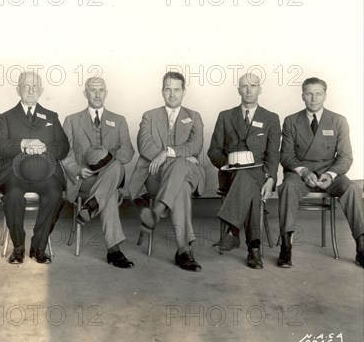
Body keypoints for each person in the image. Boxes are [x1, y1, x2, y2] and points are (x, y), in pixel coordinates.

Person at [277, 77, 364, 268]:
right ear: (302, 96)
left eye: (318, 94)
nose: (313, 98)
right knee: (287, 187)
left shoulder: (338, 120)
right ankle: (286, 247)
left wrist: (331, 174)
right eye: (309, 93)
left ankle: (361, 246)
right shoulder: (291, 121)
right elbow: (286, 155)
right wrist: (303, 171)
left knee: (353, 189)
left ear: (325, 95)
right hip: (300, 172)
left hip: (329, 172)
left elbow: (345, 156)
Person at [128, 71, 206, 271]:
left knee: (179, 167)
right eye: (168, 89)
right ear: (162, 91)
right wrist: (171, 156)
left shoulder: (194, 116)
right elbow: (144, 145)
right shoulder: (149, 116)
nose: (172, 94)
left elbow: (196, 146)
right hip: (157, 175)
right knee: (180, 182)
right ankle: (184, 251)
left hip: (189, 172)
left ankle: (157, 211)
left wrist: (167, 153)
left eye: (177, 90)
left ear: (184, 92)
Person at [0, 71, 70, 264]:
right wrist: (22, 144)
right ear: (18, 89)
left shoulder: (52, 116)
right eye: (26, 86)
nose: (30, 90)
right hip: (14, 172)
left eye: (35, 87)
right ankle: (18, 246)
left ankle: (39, 247)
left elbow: (63, 146)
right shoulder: (7, 117)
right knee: (13, 195)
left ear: (42, 90)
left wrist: (45, 147)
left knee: (54, 194)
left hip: (46, 173)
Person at [208, 73, 281, 269]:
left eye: (253, 85)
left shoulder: (271, 118)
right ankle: (254, 248)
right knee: (245, 178)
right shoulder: (225, 116)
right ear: (238, 90)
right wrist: (227, 163)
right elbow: (213, 150)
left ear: (260, 89)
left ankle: (234, 233)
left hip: (260, 174)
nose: (249, 90)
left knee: (250, 179)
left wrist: (271, 179)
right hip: (230, 174)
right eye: (244, 86)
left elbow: (273, 155)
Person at [61, 77, 135, 268]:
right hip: (84, 179)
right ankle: (114, 251)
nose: (97, 94)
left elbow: (128, 151)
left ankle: (91, 206)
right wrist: (78, 170)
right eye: (92, 90)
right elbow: (64, 154)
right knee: (108, 192)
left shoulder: (119, 120)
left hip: (109, 174)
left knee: (116, 166)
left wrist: (106, 160)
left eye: (101, 90)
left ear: (106, 92)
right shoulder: (71, 120)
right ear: (85, 93)